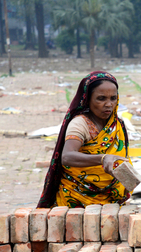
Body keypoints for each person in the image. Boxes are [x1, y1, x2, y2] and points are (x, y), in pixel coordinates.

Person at [37, 71, 133, 208]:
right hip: (76, 199)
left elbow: (120, 157)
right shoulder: (80, 124)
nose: (109, 104)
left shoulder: (117, 125)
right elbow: (67, 156)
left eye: (113, 98)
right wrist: (102, 158)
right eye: (101, 98)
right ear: (87, 99)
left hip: (110, 201)